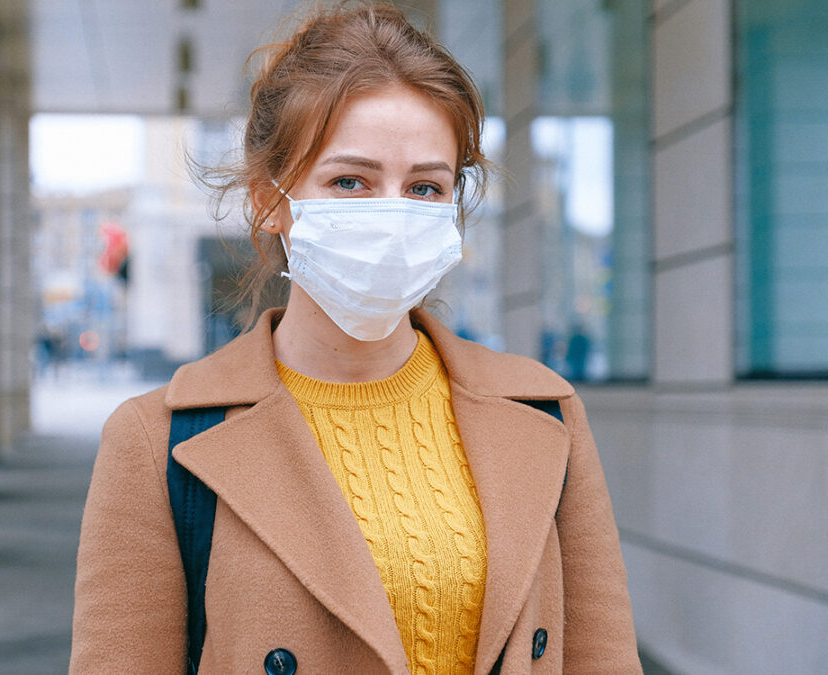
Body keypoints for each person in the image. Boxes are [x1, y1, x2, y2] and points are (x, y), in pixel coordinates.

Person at [70, 4, 640, 674]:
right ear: (269, 198)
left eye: (425, 187)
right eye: (351, 181)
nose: (392, 215)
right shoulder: (156, 442)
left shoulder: (545, 412)